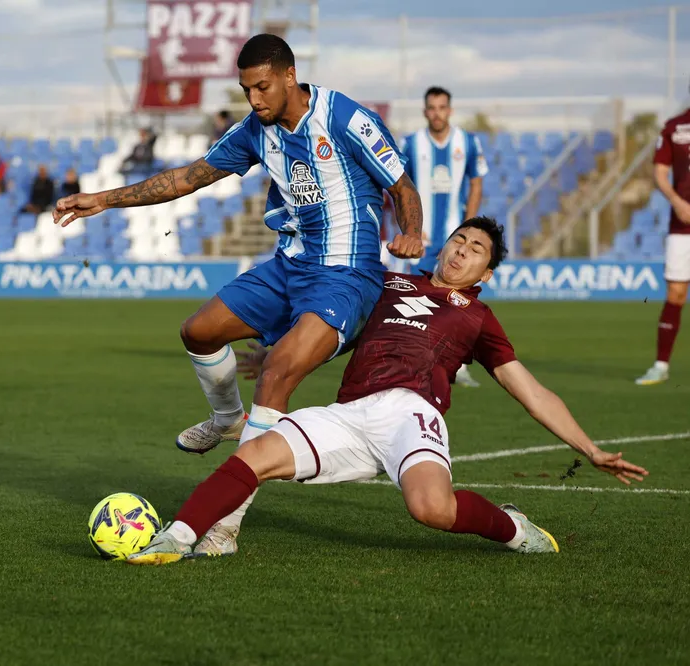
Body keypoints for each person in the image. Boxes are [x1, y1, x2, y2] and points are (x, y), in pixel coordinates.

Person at [54, 32, 424, 549]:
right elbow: (189, 178)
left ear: (289, 76)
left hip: (345, 275)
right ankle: (228, 419)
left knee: (276, 372)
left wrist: (411, 233)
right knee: (199, 331)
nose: (254, 100)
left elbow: (402, 185)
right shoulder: (257, 129)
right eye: (247, 90)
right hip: (288, 266)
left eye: (262, 88)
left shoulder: (345, 119)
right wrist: (104, 200)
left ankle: (226, 524)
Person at [127, 217, 649, 565]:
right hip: (349, 411)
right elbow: (336, 331)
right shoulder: (388, 282)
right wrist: (276, 356)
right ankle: (178, 538)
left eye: (476, 251)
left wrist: (591, 449)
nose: (461, 252)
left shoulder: (481, 319)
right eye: (459, 241)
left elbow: (531, 390)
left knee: (431, 510)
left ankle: (511, 528)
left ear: (486, 273)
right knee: (256, 451)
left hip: (411, 413)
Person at [400, 86, 489, 388]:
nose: (437, 113)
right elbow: (399, 187)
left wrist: (468, 230)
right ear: (425, 111)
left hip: (454, 239)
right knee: (419, 299)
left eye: (442, 107)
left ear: (449, 110)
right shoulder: (411, 144)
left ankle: (458, 364)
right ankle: (415, 362)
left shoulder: (467, 142)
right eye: (432, 108)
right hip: (421, 240)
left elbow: (476, 185)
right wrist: (409, 226)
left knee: (458, 302)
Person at [635, 101, 690, 385]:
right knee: (676, 294)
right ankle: (660, 366)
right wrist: (677, 201)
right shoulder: (674, 126)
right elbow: (659, 173)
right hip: (682, 226)